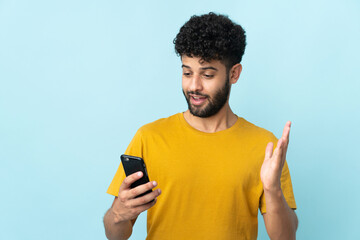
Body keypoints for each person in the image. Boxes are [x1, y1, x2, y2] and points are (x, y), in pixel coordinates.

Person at [103, 12, 298, 240]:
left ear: (234, 74)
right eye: (187, 72)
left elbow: (285, 238)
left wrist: (273, 190)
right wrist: (119, 213)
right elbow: (115, 235)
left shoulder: (265, 147)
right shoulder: (149, 138)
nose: (194, 86)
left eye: (207, 74)